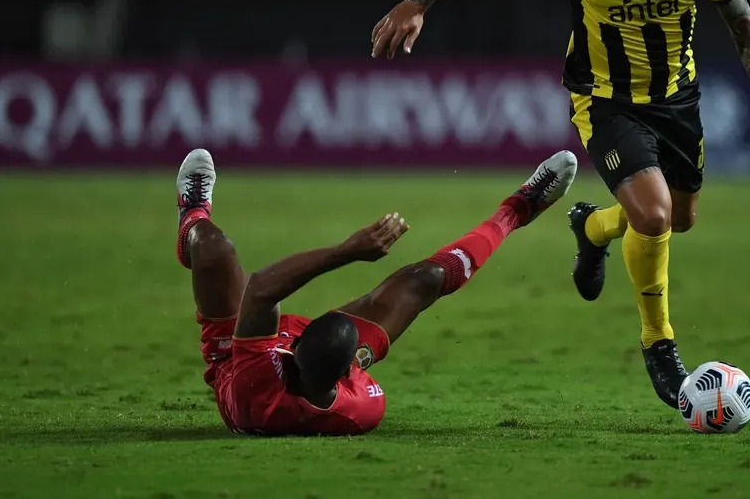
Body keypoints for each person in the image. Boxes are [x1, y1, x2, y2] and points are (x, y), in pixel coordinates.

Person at [370, 0, 750, 410]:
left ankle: (594, 227)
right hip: (604, 98)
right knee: (653, 216)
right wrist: (418, 0)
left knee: (679, 218)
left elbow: (742, 19)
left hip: (677, 100)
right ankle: (660, 345)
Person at [176, 147, 577, 436]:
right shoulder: (361, 407)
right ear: (348, 371)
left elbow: (261, 289)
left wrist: (347, 252)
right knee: (424, 282)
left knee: (215, 249)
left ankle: (192, 212)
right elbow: (333, 371)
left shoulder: (255, 383)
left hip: (237, 355)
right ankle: (519, 209)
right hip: (315, 369)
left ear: (294, 354)